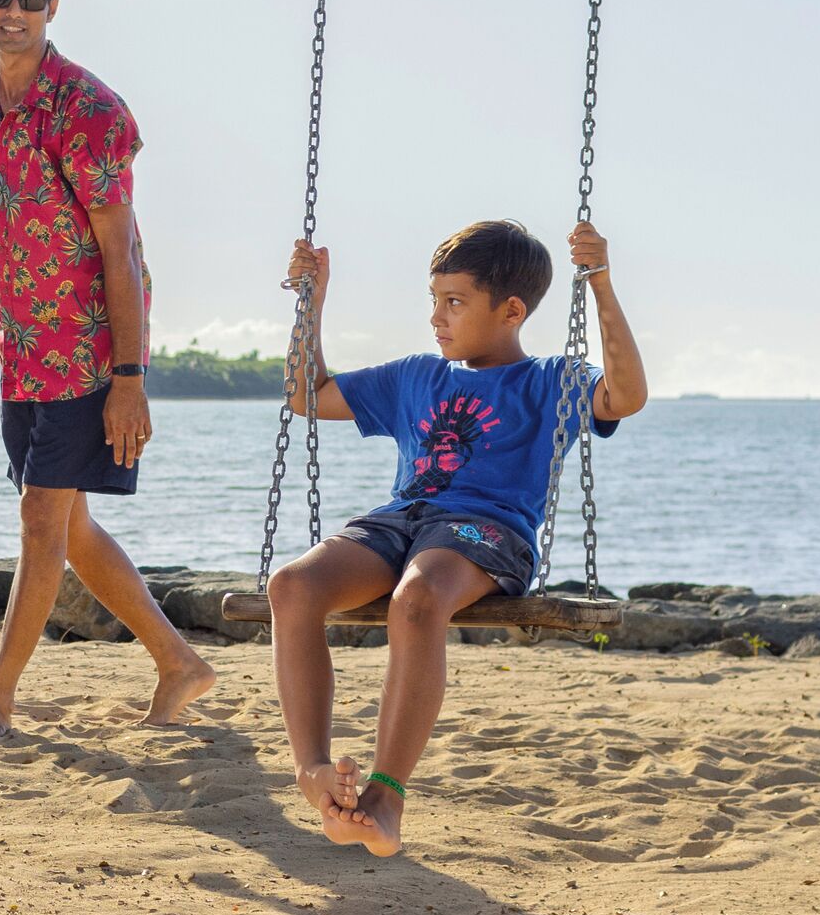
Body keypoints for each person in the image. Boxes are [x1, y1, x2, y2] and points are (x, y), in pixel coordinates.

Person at [262, 218, 648, 856]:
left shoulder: (550, 379)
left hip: (486, 530)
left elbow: (626, 396)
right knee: (292, 585)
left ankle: (385, 798)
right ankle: (313, 769)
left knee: (416, 602)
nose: (437, 317)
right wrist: (313, 298)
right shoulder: (417, 375)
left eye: (455, 302)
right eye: (433, 300)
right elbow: (307, 395)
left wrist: (600, 284)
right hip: (401, 520)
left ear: (511, 311)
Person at [0, 0, 217, 736]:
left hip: (90, 352)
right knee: (69, 526)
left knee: (44, 520)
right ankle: (181, 663)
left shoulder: (90, 109)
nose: (14, 12)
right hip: (20, 350)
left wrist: (129, 374)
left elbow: (119, 248)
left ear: (53, 7)